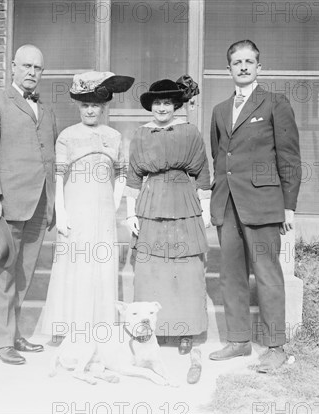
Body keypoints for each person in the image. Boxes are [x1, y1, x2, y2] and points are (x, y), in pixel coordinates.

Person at [208, 40, 301, 372]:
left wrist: (288, 206)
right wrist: (214, 200)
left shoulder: (276, 103)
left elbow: (289, 158)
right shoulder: (220, 110)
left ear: (259, 68)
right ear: (229, 69)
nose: (243, 67)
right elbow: (220, 157)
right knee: (230, 274)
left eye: (249, 61)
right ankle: (238, 341)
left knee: (267, 274)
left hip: (263, 203)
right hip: (227, 204)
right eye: (237, 62)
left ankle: (275, 346)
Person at [0, 44, 58, 365]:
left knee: (22, 274)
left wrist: (52, 205)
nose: (32, 73)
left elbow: (50, 161)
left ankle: (14, 334)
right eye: (26, 66)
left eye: (38, 68)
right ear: (12, 67)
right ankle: (0, 342)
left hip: (38, 207)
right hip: (3, 205)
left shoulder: (46, 111)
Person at [41, 71, 134, 337]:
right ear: (78, 106)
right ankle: (69, 328)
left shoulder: (114, 137)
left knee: (101, 267)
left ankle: (98, 329)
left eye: (96, 105)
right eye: (85, 105)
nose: (90, 110)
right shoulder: (67, 136)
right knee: (74, 265)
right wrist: (61, 212)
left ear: (104, 108)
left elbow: (122, 175)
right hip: (75, 208)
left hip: (103, 211)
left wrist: (115, 205)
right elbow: (57, 177)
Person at [125, 75, 211, 356]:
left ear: (176, 105)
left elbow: (202, 172)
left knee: (185, 269)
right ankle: (153, 330)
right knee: (152, 268)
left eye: (168, 103)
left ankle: (185, 331)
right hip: (151, 204)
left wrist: (206, 208)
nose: (162, 108)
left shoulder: (190, 133)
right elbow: (134, 176)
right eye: (158, 103)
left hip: (183, 202)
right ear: (152, 106)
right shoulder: (140, 134)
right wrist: (130, 214)